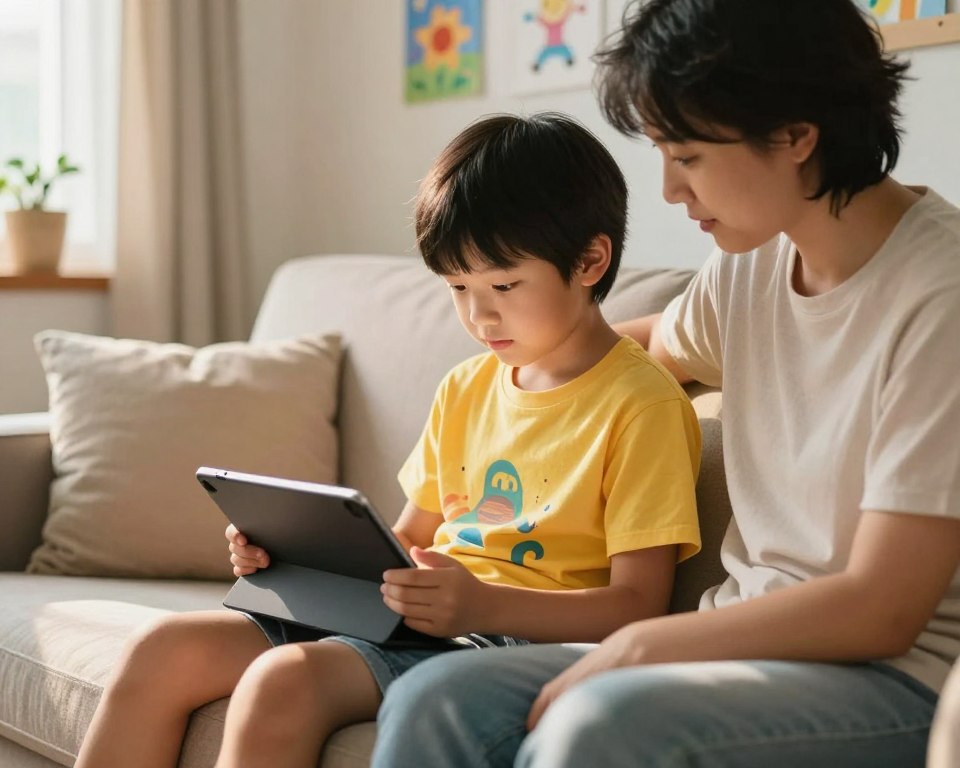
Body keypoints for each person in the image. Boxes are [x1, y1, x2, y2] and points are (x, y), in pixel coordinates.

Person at [370, 1, 960, 766]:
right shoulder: (749, 267)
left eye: (686, 157)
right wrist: (514, 393)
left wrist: (650, 641)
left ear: (793, 138)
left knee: (599, 723)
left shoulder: (939, 300)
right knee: (432, 696)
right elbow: (633, 351)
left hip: (888, 680)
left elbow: (881, 610)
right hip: (730, 645)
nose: (671, 191)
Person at [73, 112, 703, 768]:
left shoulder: (640, 404)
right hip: (413, 615)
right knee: (163, 649)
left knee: (282, 682)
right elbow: (407, 539)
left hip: (505, 638)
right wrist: (298, 557)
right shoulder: (467, 386)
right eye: (458, 288)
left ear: (590, 261)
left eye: (504, 286)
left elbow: (638, 608)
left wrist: (482, 602)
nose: (478, 314)